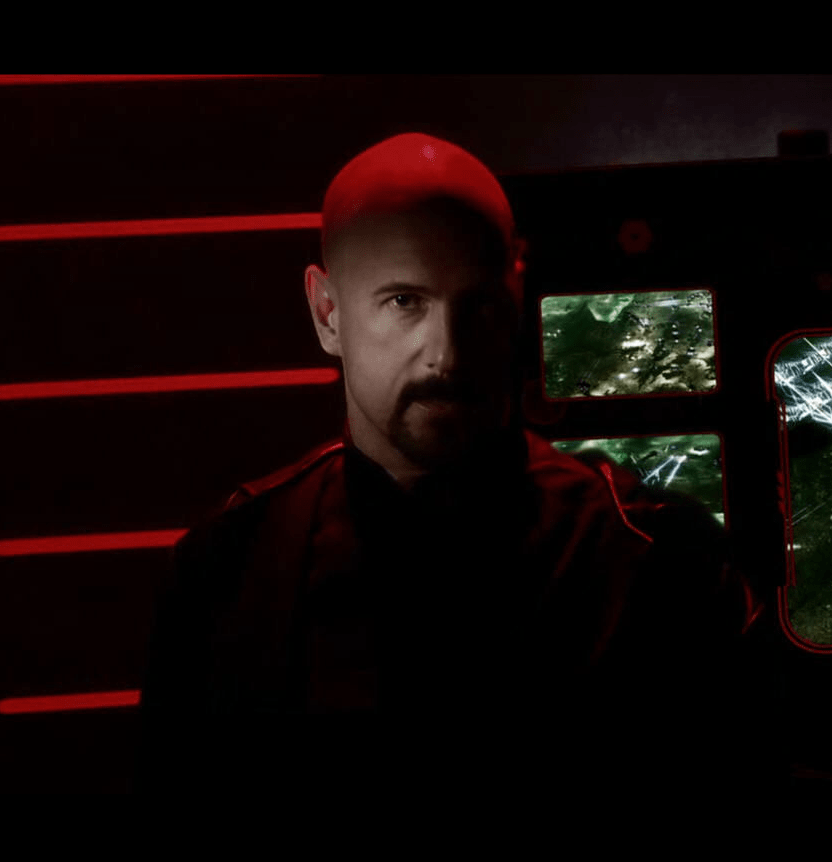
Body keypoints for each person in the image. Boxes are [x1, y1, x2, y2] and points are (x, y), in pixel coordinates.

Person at [133, 133, 787, 815]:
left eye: (476, 303)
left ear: (515, 295)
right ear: (327, 312)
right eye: (404, 301)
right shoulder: (227, 574)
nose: (445, 353)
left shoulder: (658, 565)